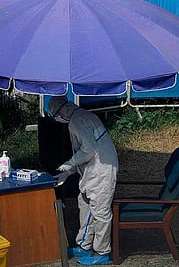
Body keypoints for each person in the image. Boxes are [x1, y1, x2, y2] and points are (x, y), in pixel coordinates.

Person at [47, 96, 118, 266]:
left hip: (101, 171)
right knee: (85, 205)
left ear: (61, 110)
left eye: (55, 115)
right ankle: (84, 244)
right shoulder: (83, 116)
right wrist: (69, 171)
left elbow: (89, 150)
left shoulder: (76, 121)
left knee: (100, 212)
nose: (57, 119)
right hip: (95, 170)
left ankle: (102, 252)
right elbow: (86, 152)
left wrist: (69, 164)